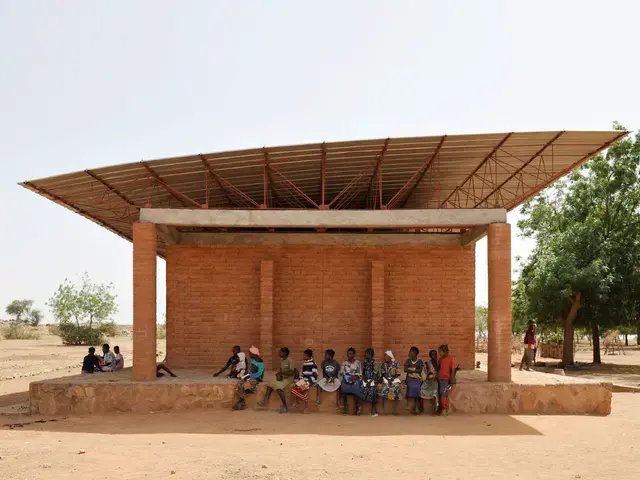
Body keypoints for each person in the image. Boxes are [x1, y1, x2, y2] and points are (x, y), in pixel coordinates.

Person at [258, 347, 295, 413]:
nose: (279, 353)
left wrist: (282, 373)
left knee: (279, 387)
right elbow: (281, 370)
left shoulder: (290, 360)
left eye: (280, 352)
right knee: (270, 383)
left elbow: (292, 372)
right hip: (283, 378)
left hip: (289, 379)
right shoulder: (281, 360)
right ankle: (265, 401)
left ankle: (285, 407)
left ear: (285, 353)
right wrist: (278, 375)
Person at [232, 346, 264, 410]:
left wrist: (248, 376)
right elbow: (251, 371)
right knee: (240, 382)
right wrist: (247, 374)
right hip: (252, 375)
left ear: (253, 354)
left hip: (257, 377)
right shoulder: (253, 359)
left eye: (250, 353)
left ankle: (241, 401)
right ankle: (241, 401)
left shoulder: (259, 361)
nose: (249, 354)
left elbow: (258, 373)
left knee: (242, 384)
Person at [291, 349, 318, 413]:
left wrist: (308, 382)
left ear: (307, 355)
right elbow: (304, 374)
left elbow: (315, 375)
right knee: (295, 386)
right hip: (305, 379)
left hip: (311, 380)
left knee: (303, 389)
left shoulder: (313, 364)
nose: (303, 356)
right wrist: (299, 379)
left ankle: (306, 408)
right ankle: (297, 402)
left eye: (304, 355)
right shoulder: (305, 363)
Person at [340, 347, 362, 415]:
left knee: (356, 389)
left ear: (354, 354)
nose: (349, 355)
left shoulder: (358, 362)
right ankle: (345, 409)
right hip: (346, 379)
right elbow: (342, 372)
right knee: (343, 389)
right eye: (348, 354)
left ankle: (356, 408)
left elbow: (360, 373)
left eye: (351, 354)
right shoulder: (344, 362)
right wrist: (346, 377)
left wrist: (355, 377)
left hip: (355, 378)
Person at [437, 344, 456, 416]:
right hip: (439, 379)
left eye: (440, 351)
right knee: (439, 393)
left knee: (443, 393)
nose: (439, 353)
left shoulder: (450, 359)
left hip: (445, 379)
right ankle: (440, 408)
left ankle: (445, 409)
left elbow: (453, 370)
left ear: (445, 352)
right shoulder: (440, 359)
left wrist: (452, 380)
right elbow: (438, 368)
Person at [404, 346, 423, 415]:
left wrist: (411, 369)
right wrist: (415, 370)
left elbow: (420, 371)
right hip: (410, 379)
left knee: (417, 387)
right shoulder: (408, 361)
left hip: (417, 379)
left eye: (410, 352)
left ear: (415, 353)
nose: (409, 353)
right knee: (411, 386)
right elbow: (405, 370)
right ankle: (413, 406)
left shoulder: (420, 361)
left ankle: (417, 407)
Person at [360, 348, 379, 416]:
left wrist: (370, 382)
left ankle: (373, 409)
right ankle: (360, 407)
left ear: (371, 355)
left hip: (373, 380)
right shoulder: (364, 363)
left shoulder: (375, 363)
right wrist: (365, 380)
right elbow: (363, 372)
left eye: (367, 354)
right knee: (361, 388)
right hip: (366, 380)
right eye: (366, 353)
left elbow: (375, 374)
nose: (366, 355)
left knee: (373, 390)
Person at [420, 349, 439, 414]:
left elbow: (439, 372)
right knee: (421, 390)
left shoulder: (438, 362)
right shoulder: (427, 363)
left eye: (435, 354)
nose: (434, 356)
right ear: (430, 355)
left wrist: (435, 375)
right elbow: (424, 373)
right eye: (432, 354)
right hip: (428, 380)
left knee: (434, 394)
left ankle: (435, 410)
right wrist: (428, 374)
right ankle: (421, 408)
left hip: (434, 381)